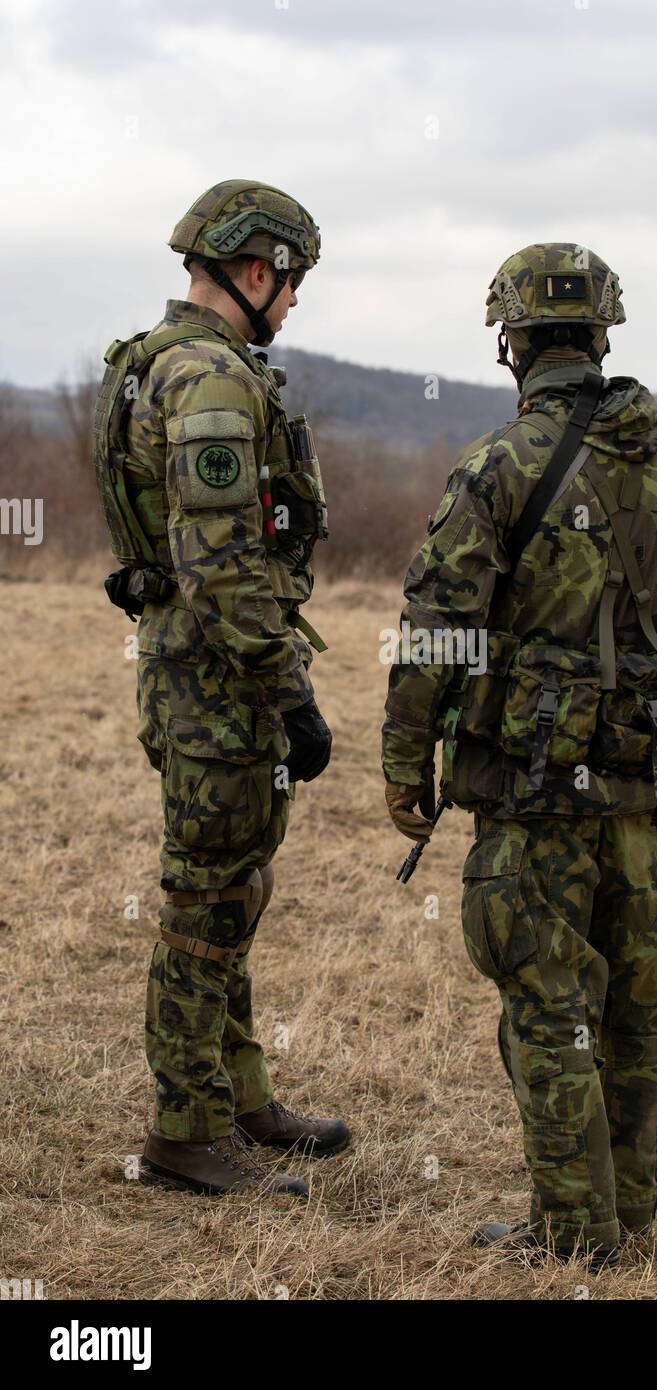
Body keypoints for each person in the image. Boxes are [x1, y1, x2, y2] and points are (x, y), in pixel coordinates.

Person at [382, 242, 657, 1266]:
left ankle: (574, 1240)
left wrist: (405, 765)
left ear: (511, 341)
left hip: (535, 805)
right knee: (640, 1015)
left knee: (550, 1015)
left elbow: (435, 632)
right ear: (600, 333)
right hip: (647, 801)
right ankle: (629, 1221)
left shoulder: (497, 468)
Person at [93, 180, 349, 1196]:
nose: (291, 306)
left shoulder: (152, 364)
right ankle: (185, 1133)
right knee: (205, 904)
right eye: (289, 287)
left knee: (234, 890)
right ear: (254, 272)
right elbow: (220, 568)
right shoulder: (206, 379)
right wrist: (289, 693)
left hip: (197, 674)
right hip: (219, 686)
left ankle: (237, 1093)